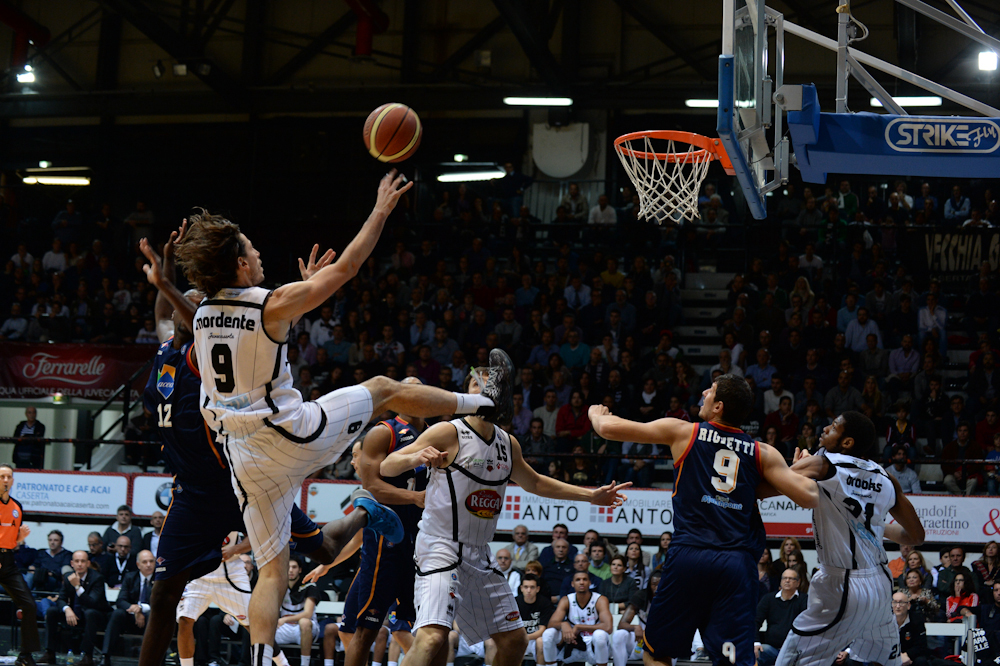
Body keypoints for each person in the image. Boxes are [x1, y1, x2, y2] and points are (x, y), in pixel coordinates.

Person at [172, 173, 503, 666]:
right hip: (290, 434)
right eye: (253, 250)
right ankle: (484, 402)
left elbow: (247, 335)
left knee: (271, 569)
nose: (260, 254)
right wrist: (380, 211)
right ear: (241, 264)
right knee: (386, 388)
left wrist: (302, 289)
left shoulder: (200, 313)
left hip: (243, 457)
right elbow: (347, 268)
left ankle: (261, 661)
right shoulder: (272, 302)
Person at [135, 229, 409, 666]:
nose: (191, 312)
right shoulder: (167, 351)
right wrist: (166, 267)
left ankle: (364, 511)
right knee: (165, 590)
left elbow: (251, 331)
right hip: (194, 491)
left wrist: (170, 284)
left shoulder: (204, 351)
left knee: (322, 550)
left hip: (243, 471)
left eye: (194, 307)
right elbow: (165, 314)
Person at [379, 354, 630, 666]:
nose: (485, 385)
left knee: (514, 640)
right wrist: (414, 458)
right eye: (477, 381)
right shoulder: (448, 431)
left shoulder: (507, 444)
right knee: (433, 637)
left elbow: (535, 482)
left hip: (479, 554)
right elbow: (388, 466)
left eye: (492, 382)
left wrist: (592, 496)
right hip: (439, 546)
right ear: (466, 396)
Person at [587, 374, 820, 666]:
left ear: (719, 406)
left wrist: (596, 413)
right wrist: (799, 471)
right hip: (736, 564)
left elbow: (608, 429)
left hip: (690, 556)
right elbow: (809, 496)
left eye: (709, 391)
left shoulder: (684, 432)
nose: (704, 394)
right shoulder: (763, 452)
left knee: (657, 651)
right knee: (732, 660)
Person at [770, 412, 925, 666]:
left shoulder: (825, 464)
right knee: (883, 663)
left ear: (847, 443)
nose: (824, 429)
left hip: (843, 584)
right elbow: (916, 536)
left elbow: (775, 483)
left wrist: (797, 468)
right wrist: (868, 525)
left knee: (789, 660)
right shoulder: (887, 478)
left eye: (832, 427)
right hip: (880, 584)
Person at [304, 379, 428, 666]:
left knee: (416, 630)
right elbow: (372, 489)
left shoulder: (434, 435)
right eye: (409, 389)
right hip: (386, 545)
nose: (354, 461)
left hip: (419, 543)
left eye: (420, 388)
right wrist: (414, 497)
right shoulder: (386, 432)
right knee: (363, 629)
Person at [39, 551, 112, 666]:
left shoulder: (97, 578)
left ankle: (88, 656)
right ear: (72, 563)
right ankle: (50, 652)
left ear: (88, 563)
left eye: (83, 561)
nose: (79, 564)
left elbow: (92, 602)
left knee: (90, 613)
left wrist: (77, 586)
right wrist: (67, 609)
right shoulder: (69, 577)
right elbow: (61, 599)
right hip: (74, 614)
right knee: (51, 611)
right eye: (77, 561)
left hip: (96, 615)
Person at [0, 464, 40, 666]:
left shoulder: (17, 507)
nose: (5, 480)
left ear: (13, 481)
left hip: (8, 562)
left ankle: (25, 655)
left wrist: (19, 538)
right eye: (2, 477)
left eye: (9, 477)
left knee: (29, 605)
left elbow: (11, 540)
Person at [541, 571, 613, 666]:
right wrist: (564, 624)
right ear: (572, 584)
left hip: (593, 646)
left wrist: (579, 627)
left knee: (600, 635)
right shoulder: (566, 600)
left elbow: (608, 627)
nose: (581, 582)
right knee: (548, 634)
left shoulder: (600, 599)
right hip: (573, 643)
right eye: (578, 580)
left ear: (590, 583)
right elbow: (551, 623)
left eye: (585, 579)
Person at [100, 550, 155, 665]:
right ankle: (105, 655)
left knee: (153, 616)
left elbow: (161, 604)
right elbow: (120, 600)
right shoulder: (130, 577)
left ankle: (150, 659)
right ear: (138, 564)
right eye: (145, 562)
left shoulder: (160, 580)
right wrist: (134, 610)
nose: (149, 565)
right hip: (131, 618)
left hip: (151, 619)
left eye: (151, 561)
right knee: (117, 613)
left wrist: (140, 608)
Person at [753, 569, 807, 666]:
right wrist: (756, 642)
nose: (787, 581)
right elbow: (755, 621)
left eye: (791, 579)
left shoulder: (804, 600)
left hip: (795, 651)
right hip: (772, 649)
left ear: (798, 583)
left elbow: (808, 624)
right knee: (758, 652)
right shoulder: (769, 598)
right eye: (784, 578)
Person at [273, 559, 321, 666]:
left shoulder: (310, 586)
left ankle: (304, 664)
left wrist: (284, 619)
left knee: (304, 622)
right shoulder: (279, 585)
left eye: (294, 567)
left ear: (300, 570)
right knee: (263, 630)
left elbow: (308, 614)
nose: (290, 570)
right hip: (285, 627)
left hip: (305, 629)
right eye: (288, 567)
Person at [611, 571, 662, 666]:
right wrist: (635, 627)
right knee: (619, 634)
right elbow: (621, 624)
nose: (657, 588)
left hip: (660, 644)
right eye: (654, 584)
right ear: (649, 585)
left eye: (660, 584)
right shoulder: (641, 596)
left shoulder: (671, 600)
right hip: (640, 641)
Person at [517, 574, 555, 663]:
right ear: (521, 588)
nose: (529, 590)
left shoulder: (545, 603)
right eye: (526, 587)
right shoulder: (514, 603)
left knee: (541, 642)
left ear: (537, 589)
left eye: (532, 587)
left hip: (535, 638)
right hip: (519, 639)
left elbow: (542, 629)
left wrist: (526, 637)